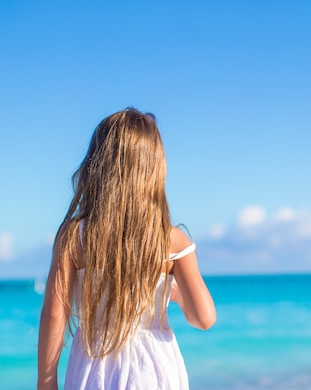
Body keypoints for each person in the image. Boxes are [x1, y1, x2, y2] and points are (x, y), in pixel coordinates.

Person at [37, 108, 216, 390]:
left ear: (95, 164)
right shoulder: (171, 240)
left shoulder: (76, 236)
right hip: (156, 369)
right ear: (155, 169)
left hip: (93, 368)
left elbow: (54, 314)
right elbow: (204, 318)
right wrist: (177, 295)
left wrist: (45, 383)